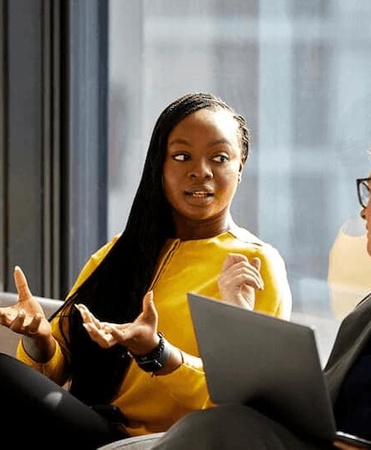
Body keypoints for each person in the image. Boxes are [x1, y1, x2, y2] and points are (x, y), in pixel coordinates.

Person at [0, 92, 292, 449]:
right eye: (182, 156)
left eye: (219, 158)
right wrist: (39, 338)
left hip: (160, 442)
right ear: (159, 166)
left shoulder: (252, 267)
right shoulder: (120, 252)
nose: (200, 171)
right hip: (87, 423)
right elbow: (55, 370)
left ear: (240, 168)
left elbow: (243, 404)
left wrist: (157, 353)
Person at [148, 132, 371, 450]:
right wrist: (241, 323)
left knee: (219, 428)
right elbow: (316, 412)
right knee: (223, 422)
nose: (363, 211)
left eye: (370, 191)